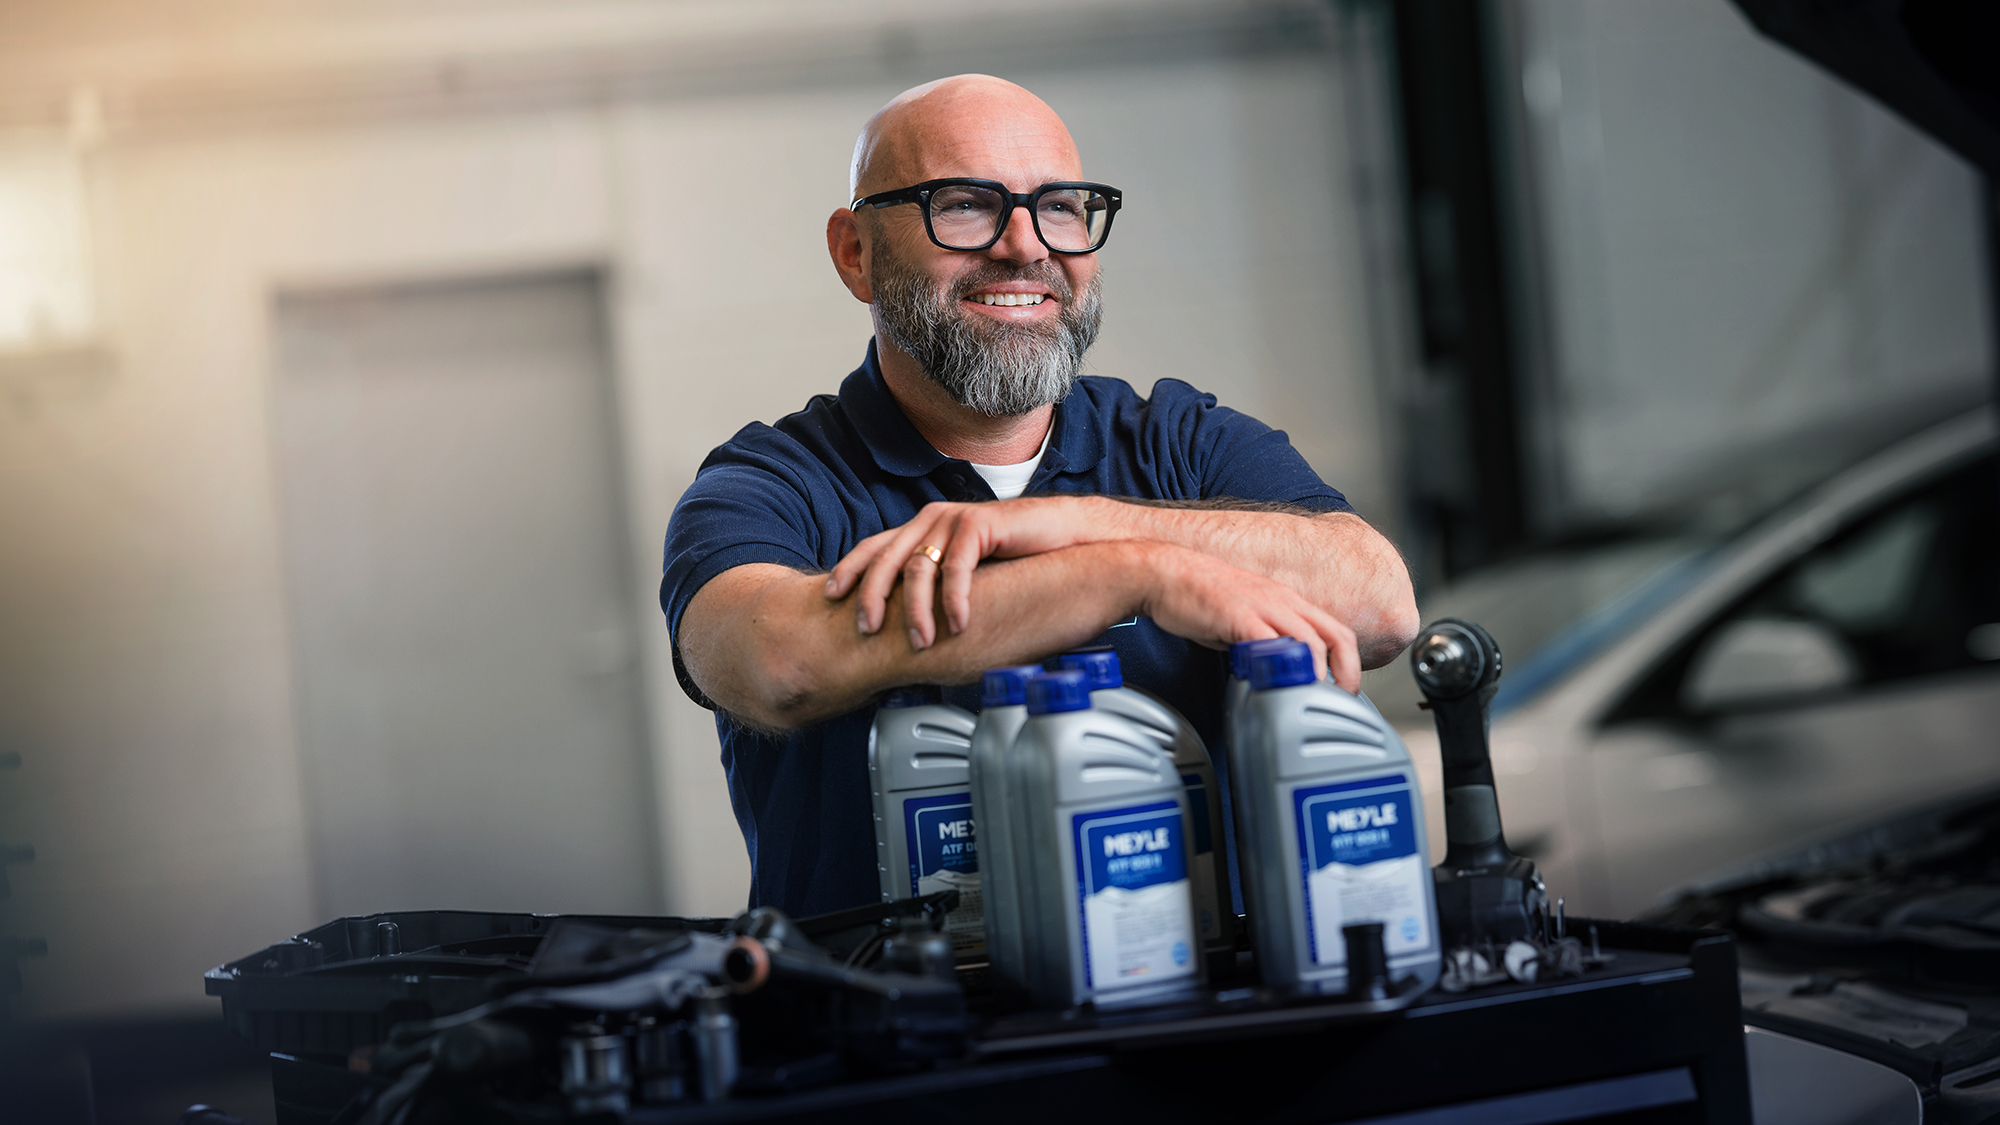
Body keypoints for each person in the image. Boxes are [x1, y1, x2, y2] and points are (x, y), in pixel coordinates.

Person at [662, 74, 1419, 917]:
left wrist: (1087, 527)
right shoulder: (774, 485)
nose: (1025, 246)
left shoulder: (1184, 444)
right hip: (894, 1040)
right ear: (856, 254)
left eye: (1060, 206)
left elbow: (1380, 601)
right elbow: (779, 661)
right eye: (964, 204)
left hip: (1198, 1032)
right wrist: (1132, 579)